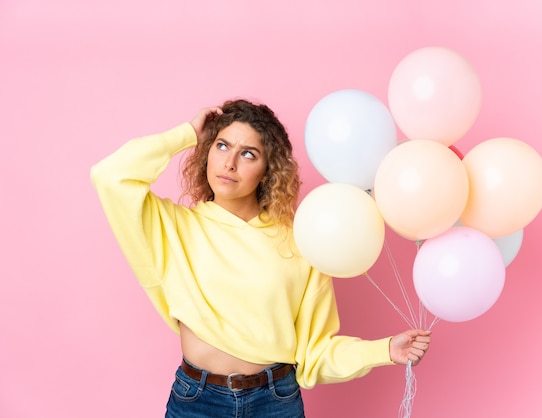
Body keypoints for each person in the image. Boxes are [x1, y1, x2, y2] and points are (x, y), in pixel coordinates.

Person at [91, 98, 431, 417]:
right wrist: (188, 133)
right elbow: (111, 176)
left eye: (248, 154)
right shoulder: (174, 227)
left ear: (268, 171)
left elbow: (314, 354)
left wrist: (385, 350)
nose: (229, 162)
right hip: (197, 400)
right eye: (221, 146)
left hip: (275, 401)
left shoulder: (300, 240)